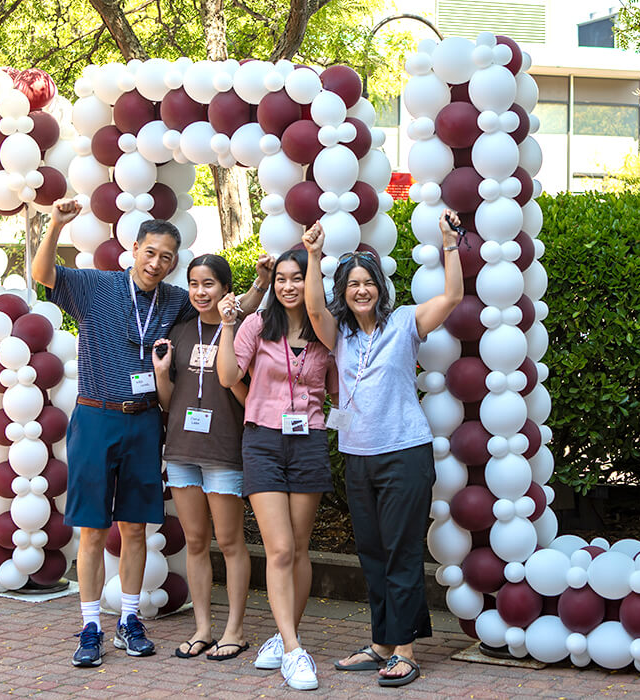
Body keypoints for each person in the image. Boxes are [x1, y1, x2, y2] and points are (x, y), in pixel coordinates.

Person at [32, 200, 268, 668]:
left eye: (166, 257)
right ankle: (91, 625)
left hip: (144, 420)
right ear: (134, 248)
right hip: (96, 417)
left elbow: (231, 309)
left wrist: (260, 283)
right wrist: (56, 225)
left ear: (173, 262)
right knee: (93, 530)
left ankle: (130, 621)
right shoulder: (95, 285)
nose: (156, 262)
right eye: (150, 252)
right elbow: (44, 274)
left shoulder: (177, 299)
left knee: (135, 527)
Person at [301, 212, 463, 687]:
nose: (360, 290)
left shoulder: (405, 322)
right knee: (371, 550)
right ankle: (380, 644)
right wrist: (313, 255)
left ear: (380, 286)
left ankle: (406, 650)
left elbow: (452, 296)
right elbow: (313, 310)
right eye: (351, 284)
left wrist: (449, 245)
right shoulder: (341, 334)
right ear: (343, 292)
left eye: (367, 282)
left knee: (401, 550)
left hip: (403, 453)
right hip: (357, 454)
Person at [216, 248, 335, 691]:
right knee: (280, 548)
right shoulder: (257, 325)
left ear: (312, 281)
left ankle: (287, 636)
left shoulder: (326, 332)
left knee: (300, 549)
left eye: (297, 277)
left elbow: (339, 389)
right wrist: (228, 326)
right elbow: (229, 375)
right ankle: (291, 651)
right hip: (263, 441)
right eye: (281, 278)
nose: (288, 285)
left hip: (309, 441)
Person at [152, 254, 254, 662]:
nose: (199, 292)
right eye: (194, 283)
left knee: (230, 542)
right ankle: (202, 628)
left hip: (223, 451)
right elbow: (169, 403)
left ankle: (236, 629)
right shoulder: (178, 332)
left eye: (208, 284)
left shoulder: (243, 331)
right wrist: (161, 374)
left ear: (226, 288)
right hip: (181, 451)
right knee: (195, 542)